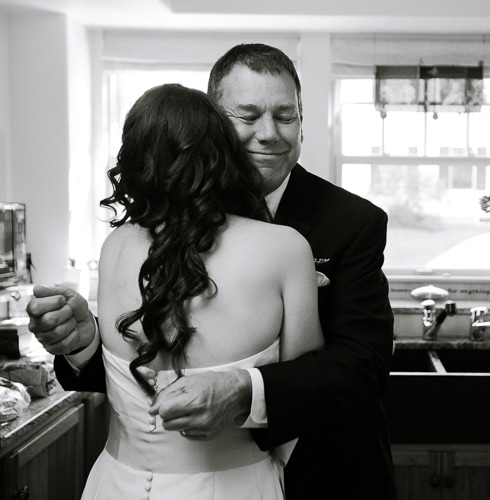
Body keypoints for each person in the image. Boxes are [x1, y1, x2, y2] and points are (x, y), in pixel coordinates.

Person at [27, 44, 397, 499]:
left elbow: (364, 366)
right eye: (248, 116)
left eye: (287, 116)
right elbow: (149, 375)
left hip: (326, 477)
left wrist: (246, 391)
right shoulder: (157, 226)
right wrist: (85, 343)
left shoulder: (351, 221)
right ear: (213, 123)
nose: (270, 134)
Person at [75, 82, 325, 498]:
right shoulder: (285, 248)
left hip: (114, 483)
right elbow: (305, 397)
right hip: (231, 486)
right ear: (223, 153)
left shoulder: (114, 247)